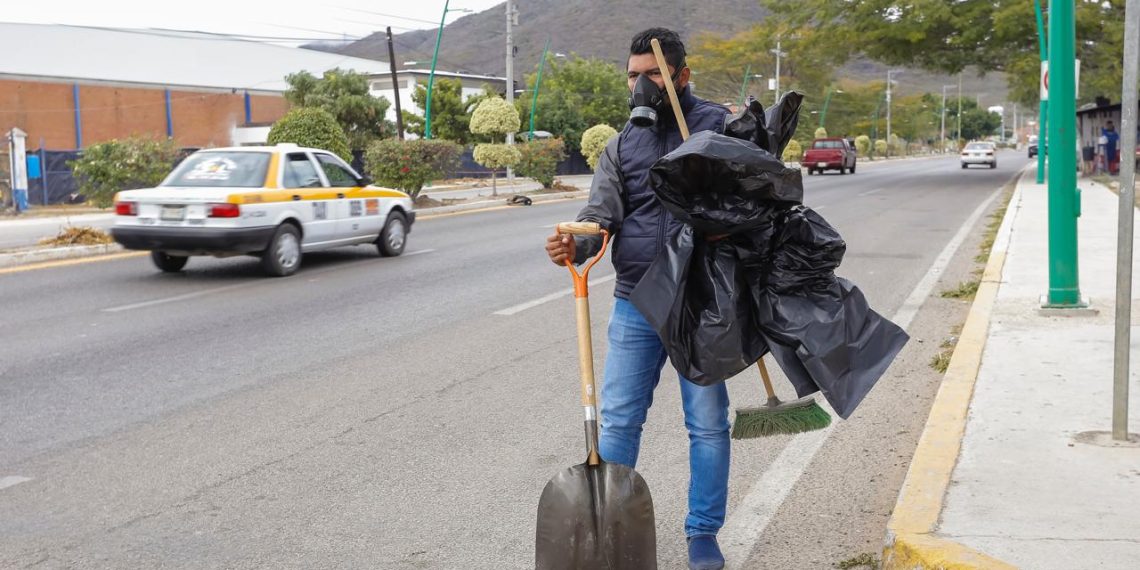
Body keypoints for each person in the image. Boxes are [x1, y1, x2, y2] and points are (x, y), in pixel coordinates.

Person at [544, 28, 732, 570]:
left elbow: (749, 202)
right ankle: (612, 536)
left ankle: (703, 534)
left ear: (681, 76)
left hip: (701, 301)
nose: (640, 85)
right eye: (632, 75)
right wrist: (572, 242)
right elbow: (599, 221)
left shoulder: (719, 128)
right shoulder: (620, 145)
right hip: (635, 301)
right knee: (620, 420)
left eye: (652, 74)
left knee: (707, 422)